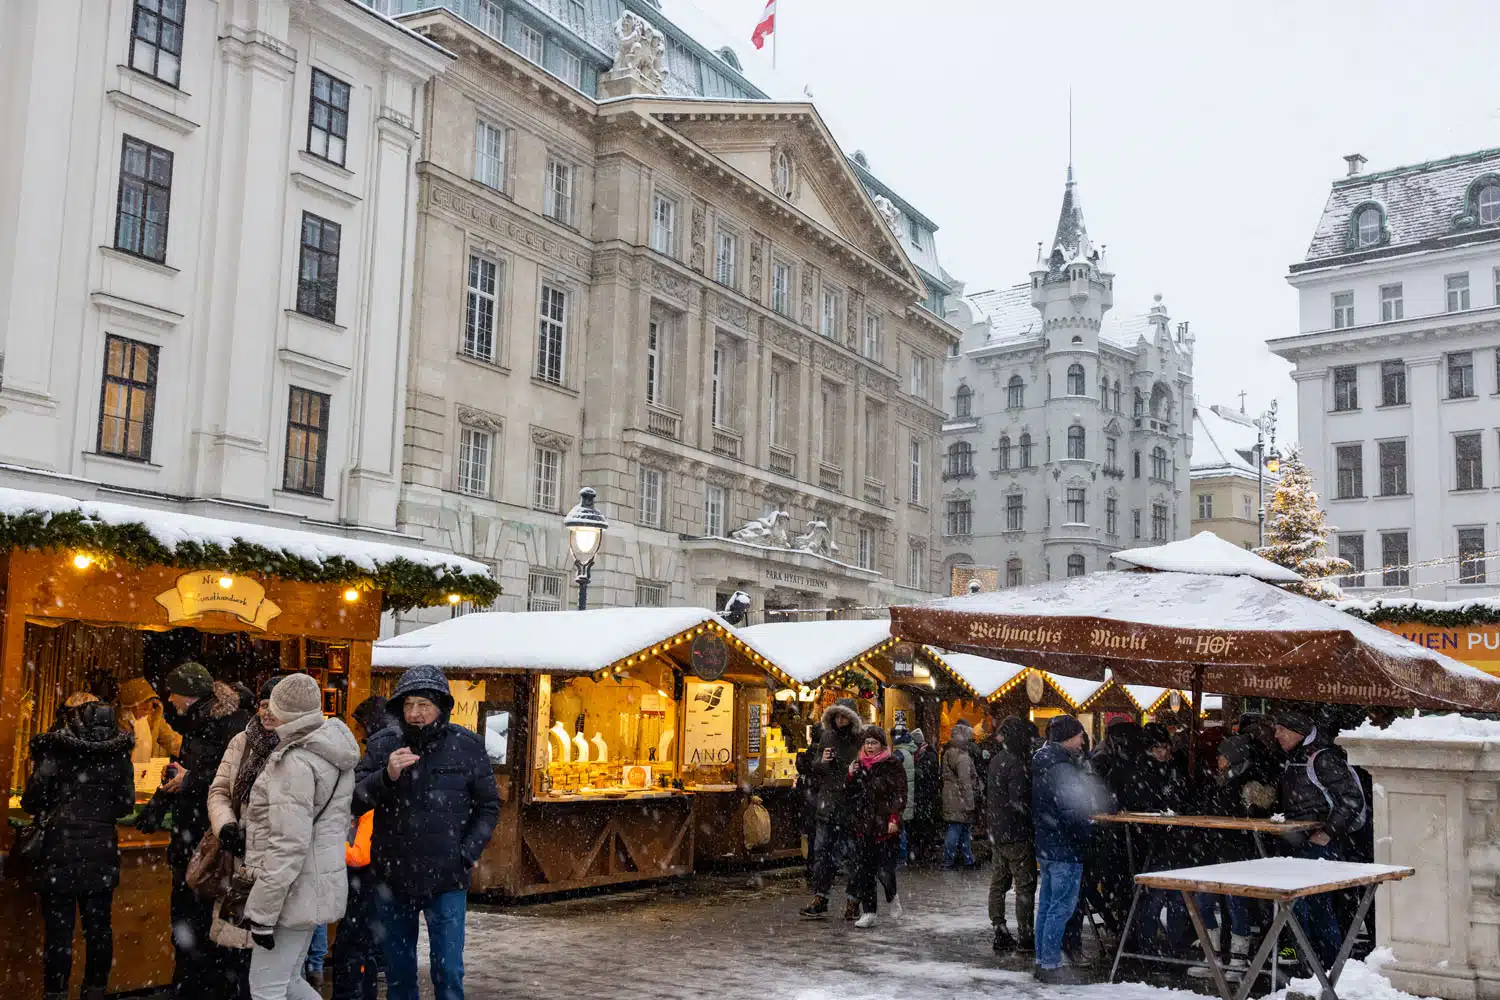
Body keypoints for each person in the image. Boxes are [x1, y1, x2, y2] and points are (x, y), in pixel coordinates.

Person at [355, 665, 500, 1000]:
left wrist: (466, 854)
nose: (415, 713)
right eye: (408, 705)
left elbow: (488, 806)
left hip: (446, 877)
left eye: (423, 704)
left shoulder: (467, 745)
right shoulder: (383, 745)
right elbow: (354, 801)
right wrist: (386, 775)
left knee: (448, 972)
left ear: (441, 706)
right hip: (393, 876)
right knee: (398, 973)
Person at [228, 673, 358, 1000]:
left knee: (267, 989)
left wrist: (262, 914)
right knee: (289, 983)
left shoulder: (296, 760)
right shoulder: (330, 749)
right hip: (314, 885)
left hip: (290, 892)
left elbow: (289, 845)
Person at [136, 662, 250, 1000]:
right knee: (200, 925)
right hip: (202, 841)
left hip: (207, 844)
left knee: (198, 922)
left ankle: (197, 987)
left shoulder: (221, 725)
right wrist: (163, 800)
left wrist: (191, 780)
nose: (169, 699)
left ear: (188, 694)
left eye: (173, 692)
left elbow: (227, 780)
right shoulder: (207, 722)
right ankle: (198, 984)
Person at [22, 694, 136, 1000]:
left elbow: (32, 799)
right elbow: (126, 805)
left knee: (59, 935)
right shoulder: (118, 752)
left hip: (59, 850)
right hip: (100, 851)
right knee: (99, 929)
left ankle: (56, 993)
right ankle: (94, 991)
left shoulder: (54, 749)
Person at [1273, 708, 1367, 974]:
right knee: (1304, 905)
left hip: (1321, 847)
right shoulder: (1295, 757)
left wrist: (1327, 833)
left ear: (1297, 731)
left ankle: (1328, 965)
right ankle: (1310, 961)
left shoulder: (1322, 758)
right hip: (1299, 844)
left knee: (1314, 906)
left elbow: (1351, 800)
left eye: (1281, 729)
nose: (1276, 734)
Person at [208, 677, 285, 992]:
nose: (267, 712)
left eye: (275, 706)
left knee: (275, 963)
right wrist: (225, 826)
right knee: (236, 957)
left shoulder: (299, 746)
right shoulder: (241, 741)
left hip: (279, 864)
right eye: (264, 704)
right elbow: (219, 791)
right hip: (239, 861)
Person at [1185, 735, 1278, 978]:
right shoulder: (1218, 781)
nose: (1218, 759)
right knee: (1203, 901)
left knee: (1236, 905)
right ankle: (1212, 954)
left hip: (1237, 851)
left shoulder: (1251, 784)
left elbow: (1252, 816)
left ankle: (1238, 960)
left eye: (1222, 756)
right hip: (1213, 849)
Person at [1031, 715, 1097, 985]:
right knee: (1060, 907)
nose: (1083, 740)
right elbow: (1071, 810)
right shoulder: (1062, 767)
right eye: (1080, 735)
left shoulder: (1043, 761)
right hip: (1065, 848)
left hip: (1048, 845)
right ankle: (1049, 963)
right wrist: (1088, 829)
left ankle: (1042, 959)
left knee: (1047, 906)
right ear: (1068, 737)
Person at [332, 696, 388, 1000]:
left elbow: (360, 795)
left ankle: (351, 992)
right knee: (366, 936)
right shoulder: (393, 742)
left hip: (363, 863)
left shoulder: (377, 748)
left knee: (353, 939)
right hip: (380, 863)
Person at [798, 699, 864, 920]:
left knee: (853, 858)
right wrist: (822, 761)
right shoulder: (827, 737)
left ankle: (853, 902)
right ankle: (821, 898)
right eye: (836, 716)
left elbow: (869, 771)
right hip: (827, 806)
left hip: (851, 806)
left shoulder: (861, 740)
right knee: (822, 856)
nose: (839, 720)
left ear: (851, 718)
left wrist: (854, 771)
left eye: (843, 717)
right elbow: (815, 767)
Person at [845, 725, 908, 928]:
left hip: (883, 823)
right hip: (863, 824)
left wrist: (894, 818)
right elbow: (850, 794)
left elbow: (900, 793)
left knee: (884, 869)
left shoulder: (892, 764)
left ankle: (892, 896)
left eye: (874, 743)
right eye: (867, 743)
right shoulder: (859, 765)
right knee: (864, 870)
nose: (870, 746)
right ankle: (869, 911)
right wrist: (850, 777)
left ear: (882, 745)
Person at [986, 716, 1036, 954]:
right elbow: (1019, 801)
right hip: (1016, 833)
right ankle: (1026, 936)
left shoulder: (997, 760)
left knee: (999, 882)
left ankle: (999, 929)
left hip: (997, 831)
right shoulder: (1017, 762)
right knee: (1024, 886)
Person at [940, 721, 980, 869]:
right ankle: (951, 861)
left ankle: (966, 859)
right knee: (958, 829)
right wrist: (970, 803)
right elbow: (965, 782)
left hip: (951, 797)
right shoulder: (962, 756)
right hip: (960, 800)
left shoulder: (949, 752)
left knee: (960, 829)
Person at [117, 676, 182, 762]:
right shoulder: (116, 721)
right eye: (143, 709)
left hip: (146, 771)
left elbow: (172, 741)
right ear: (130, 707)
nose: (147, 712)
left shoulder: (153, 718)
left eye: (149, 708)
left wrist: (194, 751)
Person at [910, 729, 942, 865]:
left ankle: (925, 853)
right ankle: (922, 853)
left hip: (925, 797)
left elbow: (929, 777)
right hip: (923, 797)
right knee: (920, 826)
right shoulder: (925, 754)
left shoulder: (928, 755)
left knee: (925, 826)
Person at [892, 726, 918, 862]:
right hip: (907, 796)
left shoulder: (899, 753)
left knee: (899, 828)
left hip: (901, 797)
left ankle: (901, 858)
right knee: (903, 828)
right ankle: (905, 856)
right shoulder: (909, 751)